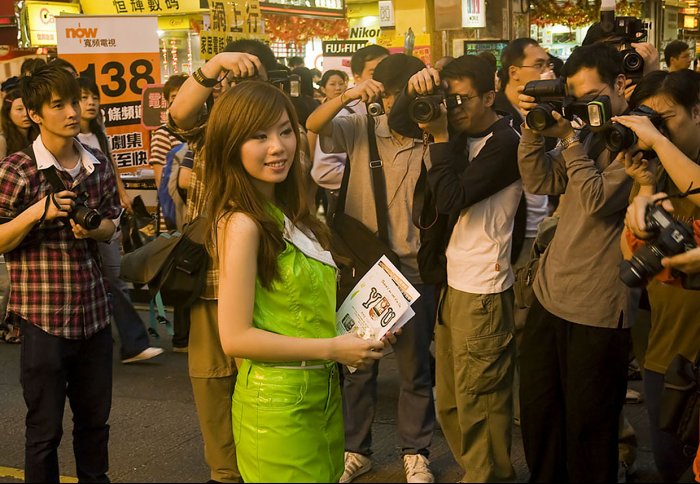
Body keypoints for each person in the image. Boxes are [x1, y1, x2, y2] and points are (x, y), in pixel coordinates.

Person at [204, 79, 390, 482]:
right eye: (259, 136)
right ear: (230, 144)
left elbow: (299, 312)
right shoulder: (241, 222)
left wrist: (359, 334)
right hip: (276, 411)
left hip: (320, 397)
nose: (278, 147)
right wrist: (334, 348)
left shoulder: (286, 213)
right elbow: (234, 338)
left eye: (285, 131)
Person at [307, 53, 437, 484]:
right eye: (392, 94)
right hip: (369, 267)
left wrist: (433, 92)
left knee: (416, 369)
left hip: (416, 269)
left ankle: (415, 452)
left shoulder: (431, 129)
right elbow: (314, 125)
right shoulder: (362, 126)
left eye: (403, 93)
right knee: (359, 367)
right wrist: (348, 96)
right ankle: (355, 449)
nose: (397, 103)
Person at [516, 42, 634, 482]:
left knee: (589, 430)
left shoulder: (636, 138)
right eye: (577, 99)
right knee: (540, 417)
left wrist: (567, 138)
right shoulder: (586, 131)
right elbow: (539, 178)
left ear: (621, 84)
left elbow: (599, 199)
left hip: (599, 308)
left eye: (592, 96)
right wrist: (535, 125)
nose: (584, 108)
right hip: (551, 296)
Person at [404, 54, 522, 482]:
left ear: (490, 95)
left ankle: (487, 476)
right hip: (453, 282)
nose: (452, 107)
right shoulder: (457, 134)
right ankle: (477, 471)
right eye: (446, 98)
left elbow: (452, 197)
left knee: (481, 401)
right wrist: (417, 88)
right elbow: (404, 118)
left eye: (462, 98)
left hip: (484, 289)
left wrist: (438, 138)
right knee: (451, 400)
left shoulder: (506, 142)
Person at [0, 64, 121, 482]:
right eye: (58, 105)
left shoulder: (97, 164)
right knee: (43, 433)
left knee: (95, 428)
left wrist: (95, 227)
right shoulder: (17, 169)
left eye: (74, 101)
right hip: (42, 319)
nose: (72, 111)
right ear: (36, 114)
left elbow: (111, 225)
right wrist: (40, 211)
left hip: (94, 316)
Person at [167, 38, 278, 484]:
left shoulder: (280, 132)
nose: (235, 88)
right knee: (215, 383)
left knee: (269, 381)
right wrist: (213, 65)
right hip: (211, 280)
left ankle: (265, 466)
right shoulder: (211, 129)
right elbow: (177, 115)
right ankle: (226, 473)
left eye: (248, 78)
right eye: (230, 80)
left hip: (270, 281)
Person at [613, 69, 700, 481]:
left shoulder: (674, 160)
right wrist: (645, 190)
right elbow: (631, 257)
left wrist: (660, 142)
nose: (654, 134)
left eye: (665, 121)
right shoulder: (656, 170)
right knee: (670, 463)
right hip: (666, 348)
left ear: (697, 110)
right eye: (650, 123)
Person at [76, 76, 163, 364]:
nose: (90, 102)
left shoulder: (98, 133)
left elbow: (110, 164)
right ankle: (127, 342)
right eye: (84, 97)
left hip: (105, 217)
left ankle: (130, 342)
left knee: (113, 277)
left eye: (94, 97)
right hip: (82, 221)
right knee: (104, 281)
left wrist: (122, 192)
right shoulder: (67, 137)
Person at [310, 45, 389, 220]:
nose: (382, 78)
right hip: (356, 213)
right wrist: (372, 182)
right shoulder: (346, 113)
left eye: (387, 69)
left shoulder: (394, 109)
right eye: (374, 72)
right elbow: (324, 171)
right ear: (357, 77)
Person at [148, 74, 188, 189]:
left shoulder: (202, 131)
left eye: (183, 95)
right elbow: (162, 183)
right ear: (167, 102)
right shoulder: (163, 134)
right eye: (174, 97)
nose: (179, 101)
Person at [0, 77, 39, 159]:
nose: (26, 114)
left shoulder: (39, 135)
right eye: (19, 109)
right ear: (8, 113)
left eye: (28, 108)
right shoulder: (3, 141)